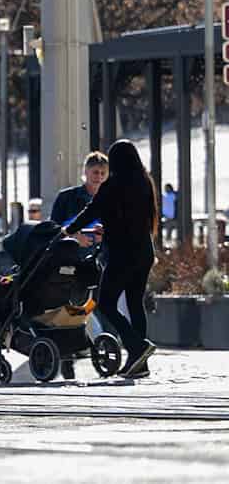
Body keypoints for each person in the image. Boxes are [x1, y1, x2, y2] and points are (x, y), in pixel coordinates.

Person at [64, 139, 158, 378]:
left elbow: (92, 211)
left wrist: (68, 230)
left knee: (105, 302)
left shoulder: (113, 185)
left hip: (122, 254)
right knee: (135, 303)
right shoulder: (145, 183)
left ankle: (137, 347)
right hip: (144, 252)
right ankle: (139, 364)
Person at [51, 151, 110, 247]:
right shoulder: (66, 197)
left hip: (100, 257)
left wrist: (106, 237)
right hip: (70, 256)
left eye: (103, 173)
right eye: (95, 172)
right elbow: (52, 230)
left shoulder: (111, 201)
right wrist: (73, 237)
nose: (99, 177)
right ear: (86, 172)